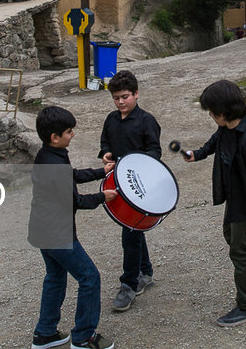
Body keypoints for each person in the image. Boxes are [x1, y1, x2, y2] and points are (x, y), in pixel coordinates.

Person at [184, 80, 246, 327]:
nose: (212, 117)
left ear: (223, 113)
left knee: (240, 251)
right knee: (231, 237)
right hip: (234, 199)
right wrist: (198, 154)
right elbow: (215, 141)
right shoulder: (226, 128)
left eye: (212, 113)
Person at [29, 106, 117, 349]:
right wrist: (104, 196)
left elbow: (72, 175)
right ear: (54, 137)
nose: (73, 135)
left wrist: (101, 172)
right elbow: (76, 201)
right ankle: (83, 337)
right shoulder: (54, 164)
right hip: (57, 234)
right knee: (89, 277)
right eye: (69, 132)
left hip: (41, 230)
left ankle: (45, 333)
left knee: (55, 277)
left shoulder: (50, 154)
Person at [98, 70, 162, 313]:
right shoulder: (111, 120)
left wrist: (136, 163)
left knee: (130, 232)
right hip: (117, 183)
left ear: (136, 94)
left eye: (125, 97)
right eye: (116, 98)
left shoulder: (147, 121)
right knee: (133, 228)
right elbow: (105, 142)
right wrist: (105, 152)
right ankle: (145, 272)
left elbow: (155, 152)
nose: (120, 102)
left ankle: (128, 284)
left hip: (140, 185)